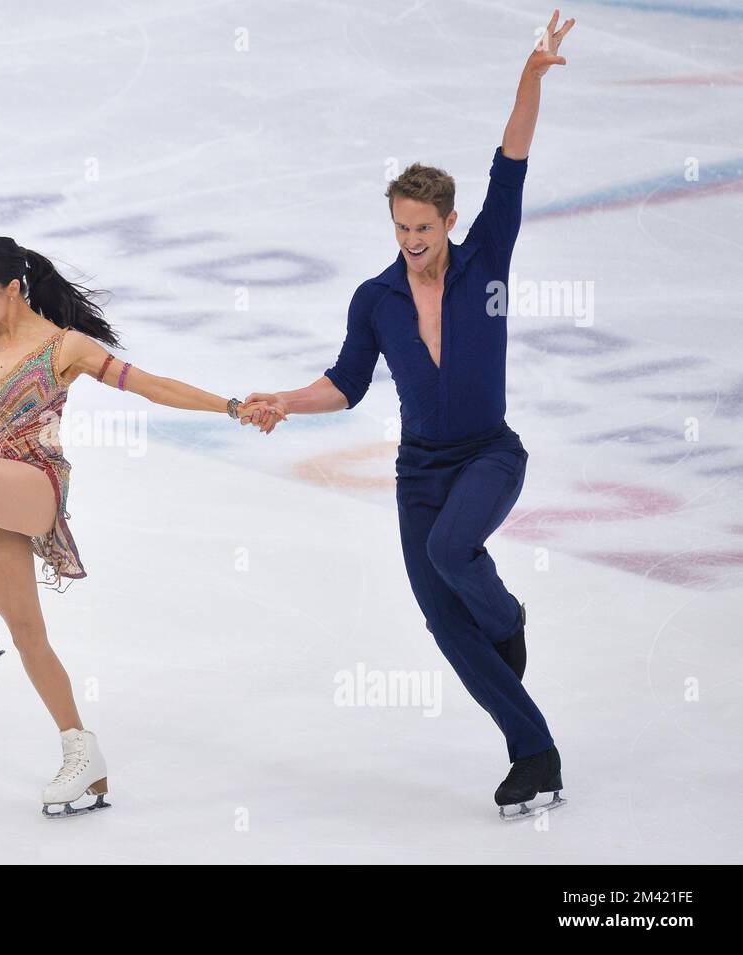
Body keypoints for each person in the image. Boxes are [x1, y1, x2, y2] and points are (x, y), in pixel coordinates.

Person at [244, 11, 576, 819]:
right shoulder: (377, 298)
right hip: (419, 470)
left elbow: (512, 165)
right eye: (399, 228)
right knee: (439, 618)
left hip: (489, 454)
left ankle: (508, 616)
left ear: (449, 222)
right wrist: (286, 402)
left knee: (452, 550)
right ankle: (534, 751)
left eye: (423, 228)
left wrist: (530, 77)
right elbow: (347, 384)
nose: (411, 241)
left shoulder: (487, 255)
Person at [0, 235, 277, 817]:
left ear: (13, 289)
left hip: (36, 487)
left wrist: (230, 407)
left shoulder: (65, 348)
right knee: (29, 636)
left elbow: (152, 386)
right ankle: (84, 759)